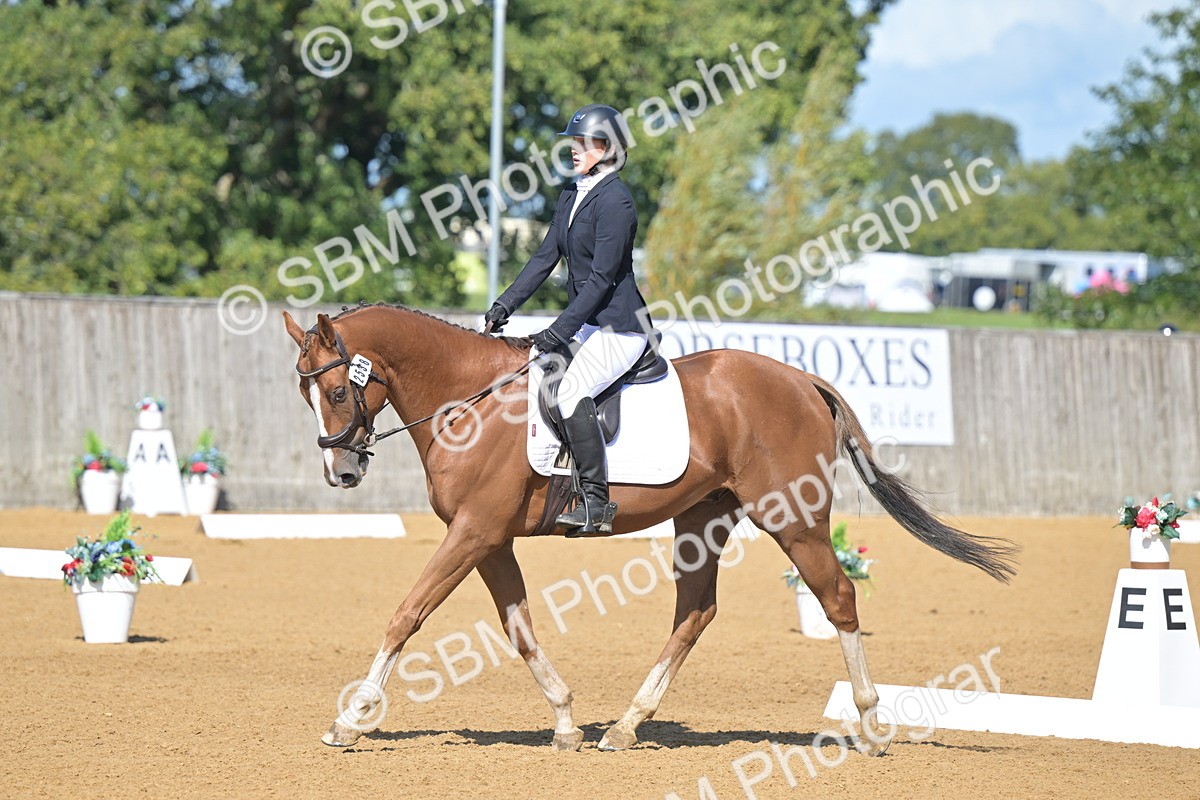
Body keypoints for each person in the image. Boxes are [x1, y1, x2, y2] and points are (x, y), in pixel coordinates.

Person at [483, 103, 652, 536]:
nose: (574, 149)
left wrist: (559, 331)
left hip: (620, 329)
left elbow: (600, 280)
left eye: (583, 142)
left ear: (608, 147)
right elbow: (545, 258)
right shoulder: (572, 193)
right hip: (591, 327)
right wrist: (504, 305)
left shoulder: (617, 202)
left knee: (572, 391)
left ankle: (596, 504)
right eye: (573, 141)